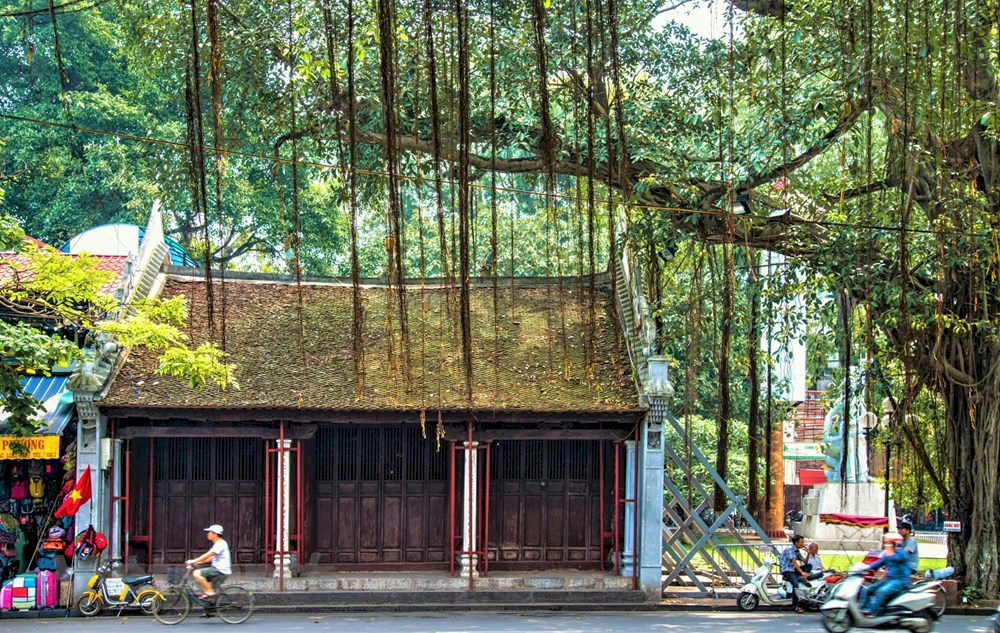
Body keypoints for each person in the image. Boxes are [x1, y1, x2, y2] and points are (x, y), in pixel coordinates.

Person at [863, 532, 911, 616]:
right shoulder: (888, 554)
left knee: (881, 592)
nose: (886, 545)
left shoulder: (901, 553)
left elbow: (895, 558)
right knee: (867, 590)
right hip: (890, 580)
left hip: (900, 581)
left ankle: (872, 612)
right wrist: (865, 567)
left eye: (888, 543)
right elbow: (879, 563)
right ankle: (862, 609)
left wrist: (889, 551)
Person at [185, 524, 232, 600]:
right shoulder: (218, 543)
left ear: (215, 534)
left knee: (196, 573)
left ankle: (209, 592)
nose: (208, 534)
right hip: (218, 569)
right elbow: (210, 558)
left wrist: (194, 560)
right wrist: (198, 563)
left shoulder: (220, 544)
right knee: (205, 585)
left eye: (210, 532)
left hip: (219, 570)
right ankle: (210, 608)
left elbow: (208, 554)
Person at [779, 534, 810, 613]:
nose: (802, 544)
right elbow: (794, 563)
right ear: (796, 542)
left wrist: (808, 553)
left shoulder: (797, 551)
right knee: (795, 585)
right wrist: (802, 573)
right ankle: (795, 605)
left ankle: (800, 577)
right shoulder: (790, 549)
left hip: (793, 570)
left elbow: (805, 562)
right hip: (787, 570)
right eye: (801, 542)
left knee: (809, 566)